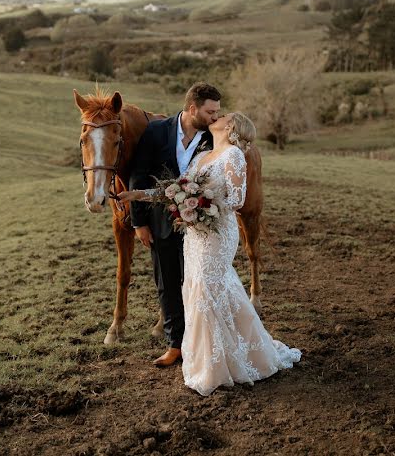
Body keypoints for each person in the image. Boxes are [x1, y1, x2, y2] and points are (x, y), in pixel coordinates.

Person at [121, 111, 301, 396]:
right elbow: (176, 190)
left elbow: (237, 200)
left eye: (223, 115)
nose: (216, 116)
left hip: (218, 232)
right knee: (198, 289)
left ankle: (217, 365)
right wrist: (139, 195)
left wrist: (202, 205)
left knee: (206, 288)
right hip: (195, 234)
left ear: (230, 126)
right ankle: (214, 353)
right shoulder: (201, 156)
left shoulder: (233, 156)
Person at [128, 83, 221, 367]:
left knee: (196, 284)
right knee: (167, 284)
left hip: (200, 226)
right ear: (193, 108)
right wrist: (139, 222)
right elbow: (138, 177)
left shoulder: (214, 138)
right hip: (160, 224)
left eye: (217, 111)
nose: (215, 117)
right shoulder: (157, 131)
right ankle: (175, 345)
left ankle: (199, 342)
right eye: (210, 111)